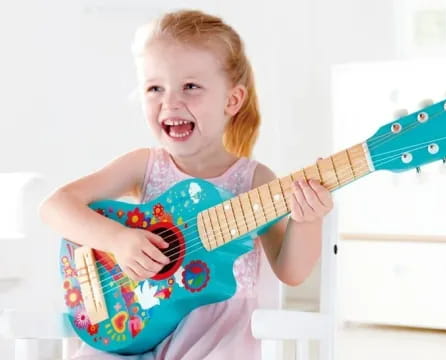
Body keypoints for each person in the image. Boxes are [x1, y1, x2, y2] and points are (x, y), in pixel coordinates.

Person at [39, 9, 333, 360]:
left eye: (190, 86)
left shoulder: (254, 181)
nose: (170, 102)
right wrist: (116, 240)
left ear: (232, 100)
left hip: (219, 340)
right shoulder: (144, 166)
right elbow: (55, 206)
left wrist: (308, 218)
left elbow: (292, 271)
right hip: (136, 325)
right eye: (154, 88)